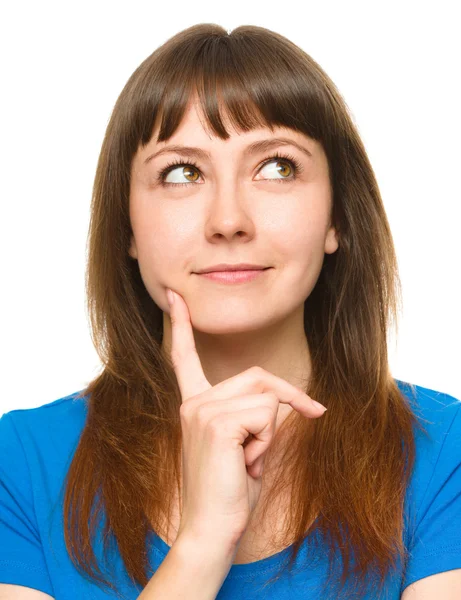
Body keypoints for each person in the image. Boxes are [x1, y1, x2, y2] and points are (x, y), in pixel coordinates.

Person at [1, 23, 460, 600]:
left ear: (336, 216)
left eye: (277, 167)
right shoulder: (21, 461)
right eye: (182, 173)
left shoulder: (442, 451)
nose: (228, 220)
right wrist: (203, 542)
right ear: (128, 229)